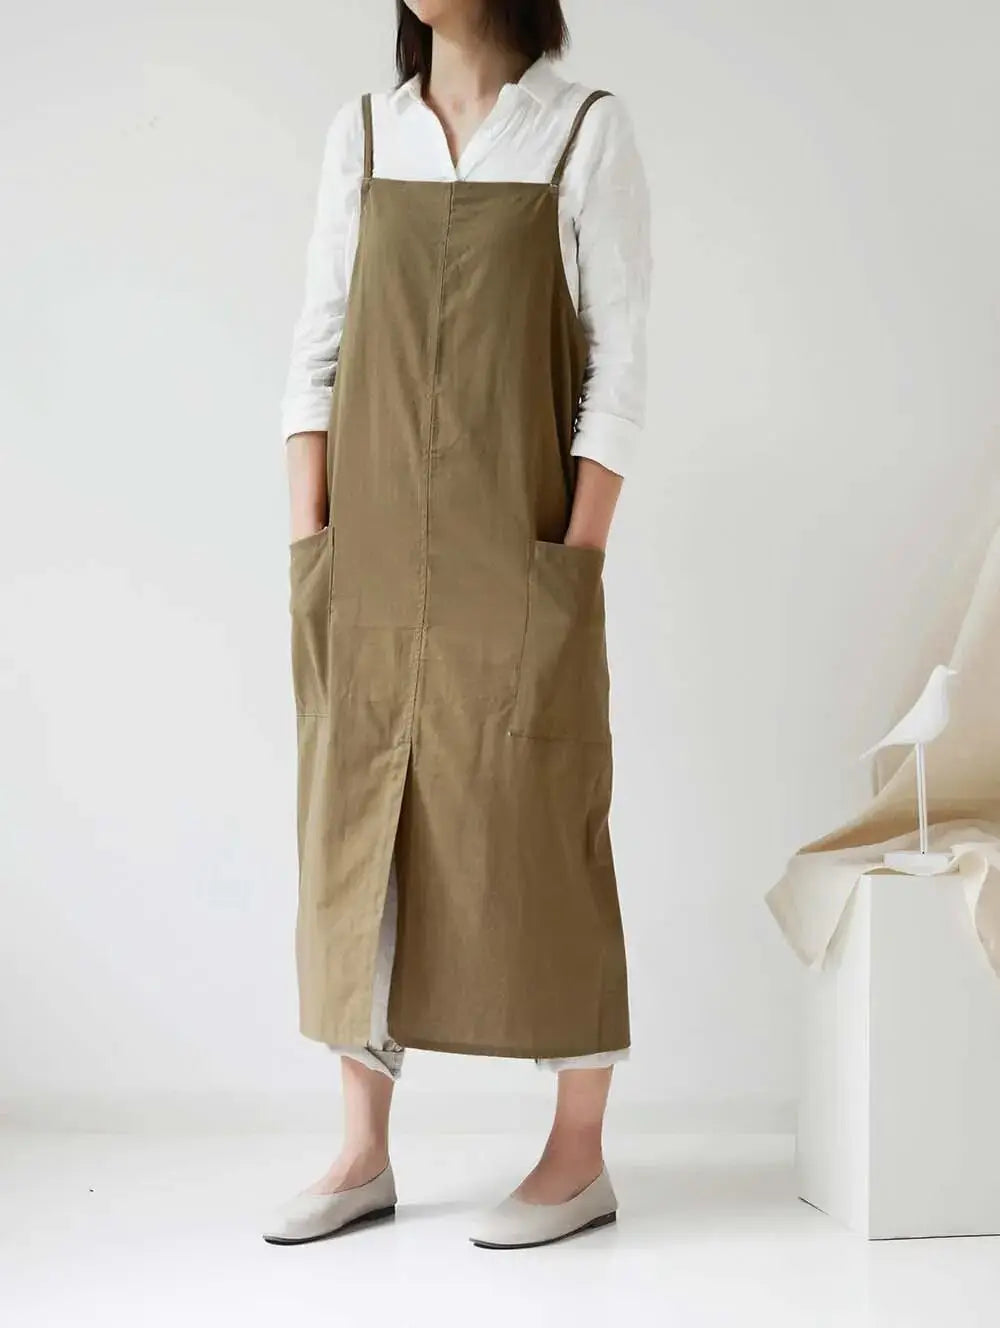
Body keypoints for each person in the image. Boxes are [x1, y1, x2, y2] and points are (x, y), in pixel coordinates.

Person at [265, 0, 651, 1249]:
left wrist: (572, 559)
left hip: (518, 550)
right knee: (357, 818)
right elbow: (315, 350)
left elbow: (618, 370)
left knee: (541, 815)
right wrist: (313, 540)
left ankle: (578, 1156)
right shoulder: (364, 134)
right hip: (366, 552)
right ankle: (362, 1149)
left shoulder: (581, 132)